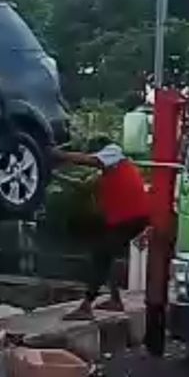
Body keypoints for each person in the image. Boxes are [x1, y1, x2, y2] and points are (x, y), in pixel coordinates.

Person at [52, 135, 149, 321]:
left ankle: (86, 305)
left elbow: (90, 161)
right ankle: (115, 299)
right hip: (128, 219)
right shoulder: (110, 168)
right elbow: (83, 186)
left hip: (130, 217)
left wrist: (59, 155)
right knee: (107, 253)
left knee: (101, 255)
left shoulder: (114, 152)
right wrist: (56, 176)